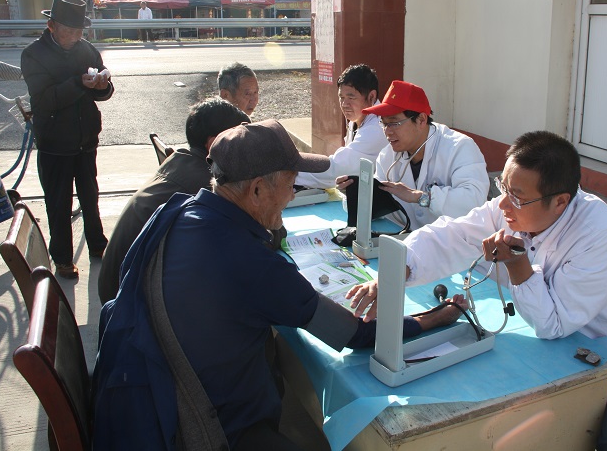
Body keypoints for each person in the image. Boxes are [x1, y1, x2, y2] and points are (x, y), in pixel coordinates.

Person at [92, 120, 465, 450]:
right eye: (290, 184)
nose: (292, 195)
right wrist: (436, 317)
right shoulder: (252, 264)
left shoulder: (176, 212)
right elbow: (356, 334)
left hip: (144, 393)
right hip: (205, 429)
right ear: (256, 190)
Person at [346, 131, 607, 451]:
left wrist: (518, 268)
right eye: (502, 187)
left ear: (560, 201)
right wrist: (396, 271)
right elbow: (455, 233)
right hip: (556, 346)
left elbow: (554, 323)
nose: (503, 204)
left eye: (516, 196)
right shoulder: (516, 207)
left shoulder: (598, 233)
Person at [97, 98, 250, 304]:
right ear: (214, 144)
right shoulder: (206, 185)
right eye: (241, 141)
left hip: (118, 291)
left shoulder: (180, 161)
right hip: (131, 307)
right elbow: (252, 239)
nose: (247, 151)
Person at [21, 0, 114, 279]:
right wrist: (79, 83)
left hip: (86, 138)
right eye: (69, 31)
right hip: (54, 142)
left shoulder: (86, 49)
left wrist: (103, 85)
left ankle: (98, 244)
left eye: (79, 31)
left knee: (90, 196)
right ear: (51, 26)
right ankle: (62, 258)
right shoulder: (34, 54)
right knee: (58, 202)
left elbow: (104, 93)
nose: (75, 37)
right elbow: (45, 100)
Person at [338, 80, 490, 230]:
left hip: (453, 241)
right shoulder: (388, 155)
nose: (387, 131)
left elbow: (474, 202)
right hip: (408, 238)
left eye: (394, 123)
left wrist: (422, 197)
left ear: (421, 120)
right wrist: (356, 194)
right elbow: (378, 206)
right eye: (383, 123)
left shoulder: (459, 148)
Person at [296, 64, 388, 189]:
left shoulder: (376, 128)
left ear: (371, 96)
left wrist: (292, 172)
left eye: (351, 97)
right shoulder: (357, 119)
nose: (344, 104)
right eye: (341, 97)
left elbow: (335, 170)